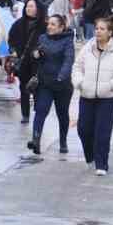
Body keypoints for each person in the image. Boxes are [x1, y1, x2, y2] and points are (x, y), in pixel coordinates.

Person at [71, 18, 113, 176]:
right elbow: (77, 67)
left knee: (102, 132)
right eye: (97, 28)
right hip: (87, 95)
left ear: (110, 32)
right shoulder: (88, 48)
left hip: (107, 99)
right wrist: (79, 82)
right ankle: (90, 155)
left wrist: (111, 86)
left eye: (102, 29)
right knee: (83, 129)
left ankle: (101, 163)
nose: (98, 31)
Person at [28, 14, 76, 155]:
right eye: (49, 24)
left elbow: (69, 59)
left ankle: (63, 141)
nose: (49, 26)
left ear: (61, 27)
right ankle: (35, 140)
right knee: (41, 110)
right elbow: (35, 54)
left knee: (62, 114)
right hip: (45, 83)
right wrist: (36, 54)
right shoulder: (43, 38)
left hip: (62, 84)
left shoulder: (68, 40)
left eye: (53, 24)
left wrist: (62, 75)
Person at [7, 0, 45, 124]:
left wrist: (40, 51)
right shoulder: (19, 23)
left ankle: (39, 112)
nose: (29, 9)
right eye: (27, 6)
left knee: (37, 86)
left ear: (37, 9)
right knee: (24, 87)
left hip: (38, 62)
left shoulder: (44, 25)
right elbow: (11, 39)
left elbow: (48, 41)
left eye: (32, 6)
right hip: (23, 61)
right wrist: (13, 50)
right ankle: (25, 114)